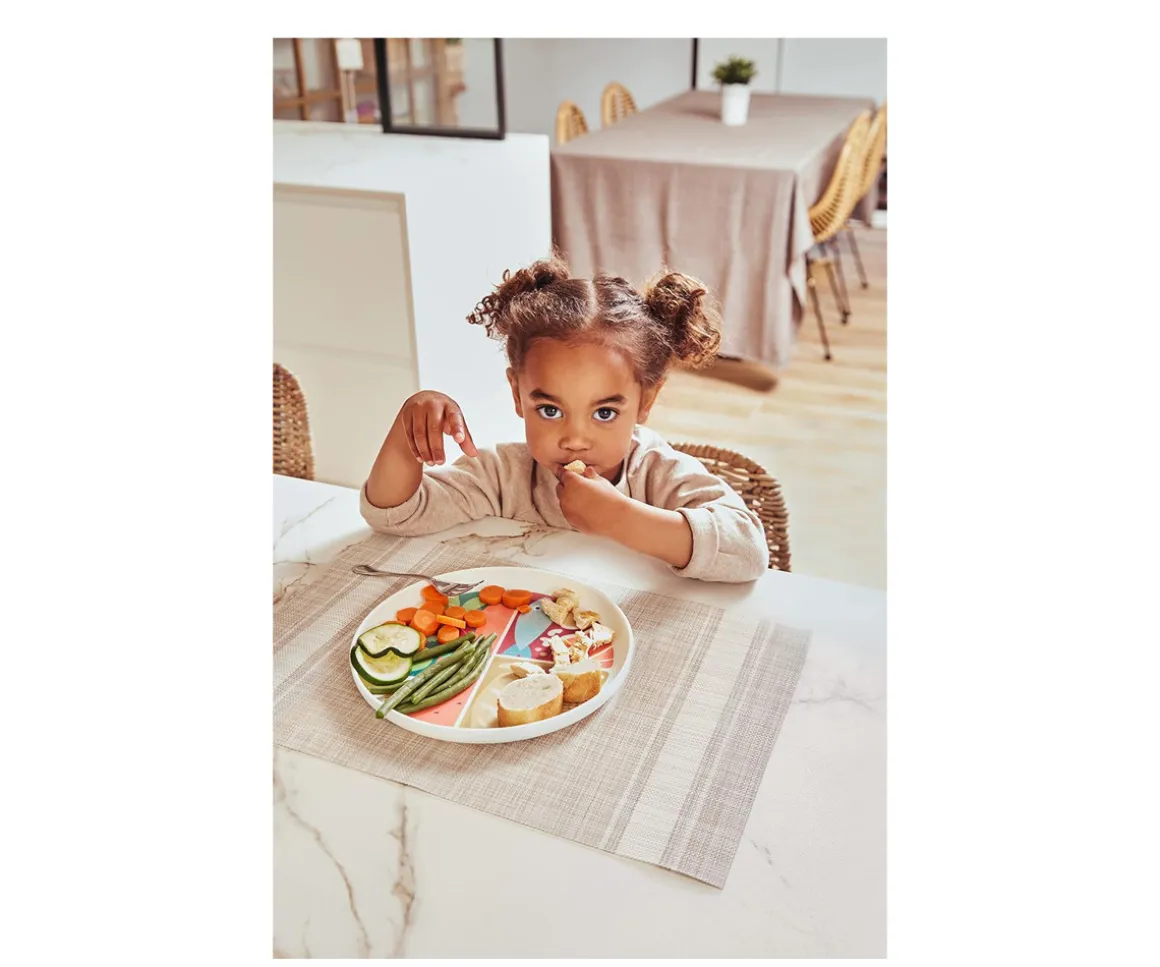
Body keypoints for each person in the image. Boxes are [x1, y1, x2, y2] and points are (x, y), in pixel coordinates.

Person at [360, 255, 769, 582]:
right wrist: (406, 435)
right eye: (550, 410)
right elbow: (393, 514)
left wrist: (621, 519)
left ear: (646, 401)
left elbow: (749, 552)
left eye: (604, 412)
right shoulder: (503, 476)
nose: (574, 438)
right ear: (517, 394)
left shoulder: (656, 473)